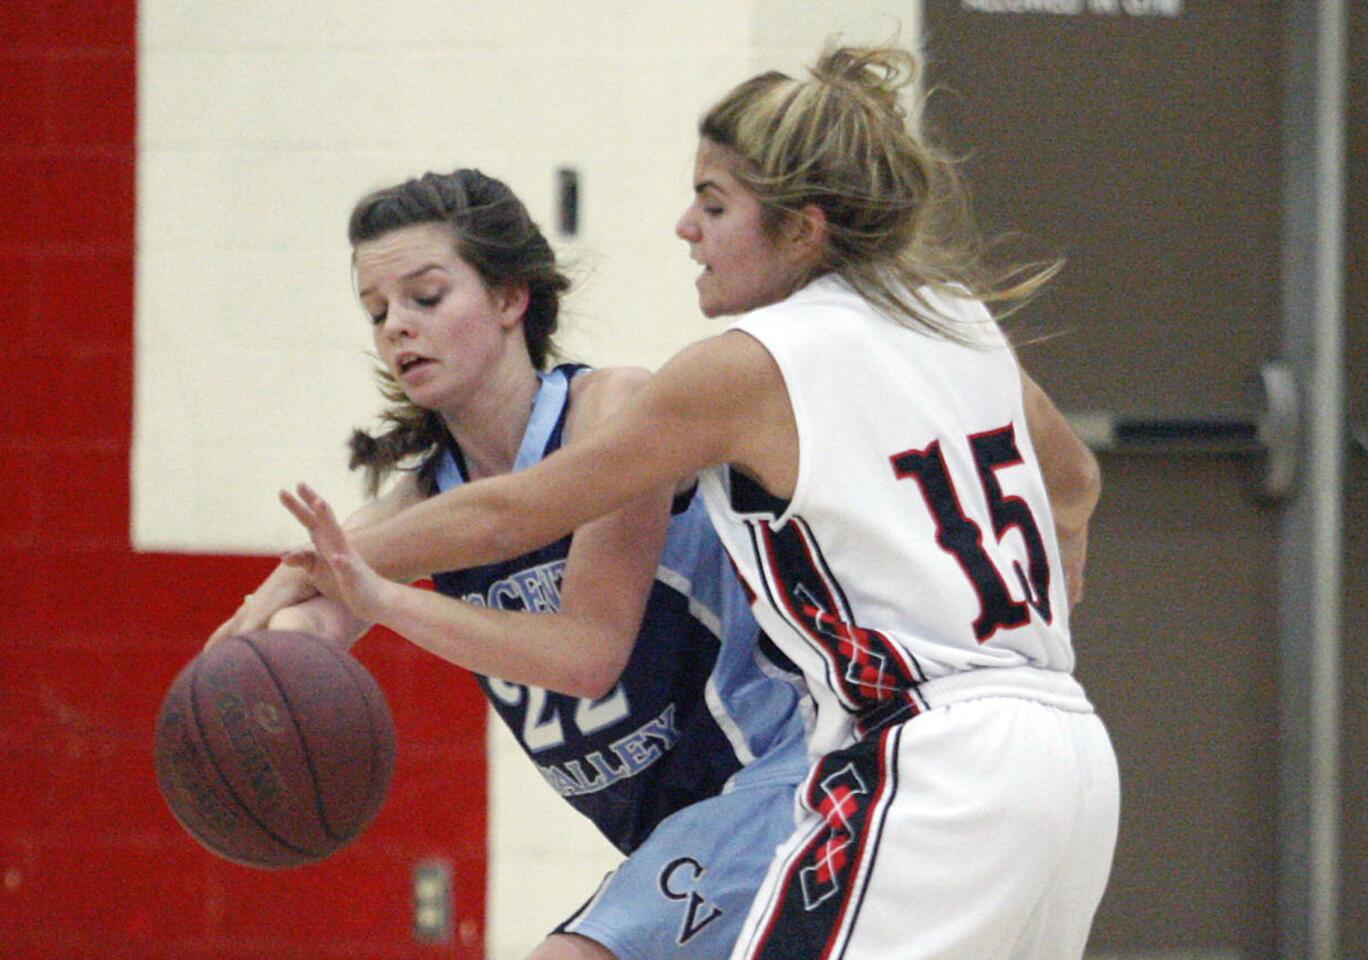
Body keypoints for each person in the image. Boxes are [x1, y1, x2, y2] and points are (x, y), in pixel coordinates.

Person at [222, 43, 1117, 959]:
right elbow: (1075, 480)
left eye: (716, 205)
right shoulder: (952, 320)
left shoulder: (744, 365)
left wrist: (344, 575)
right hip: (1067, 747)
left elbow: (516, 521)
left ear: (802, 229)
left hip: (907, 763)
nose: (686, 227)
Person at [223, 168, 813, 960]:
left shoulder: (616, 412)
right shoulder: (416, 506)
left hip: (785, 776)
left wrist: (381, 597)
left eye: (425, 298)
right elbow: (315, 613)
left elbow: (589, 656)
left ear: (510, 299)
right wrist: (257, 678)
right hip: (677, 836)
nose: (399, 326)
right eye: (378, 312)